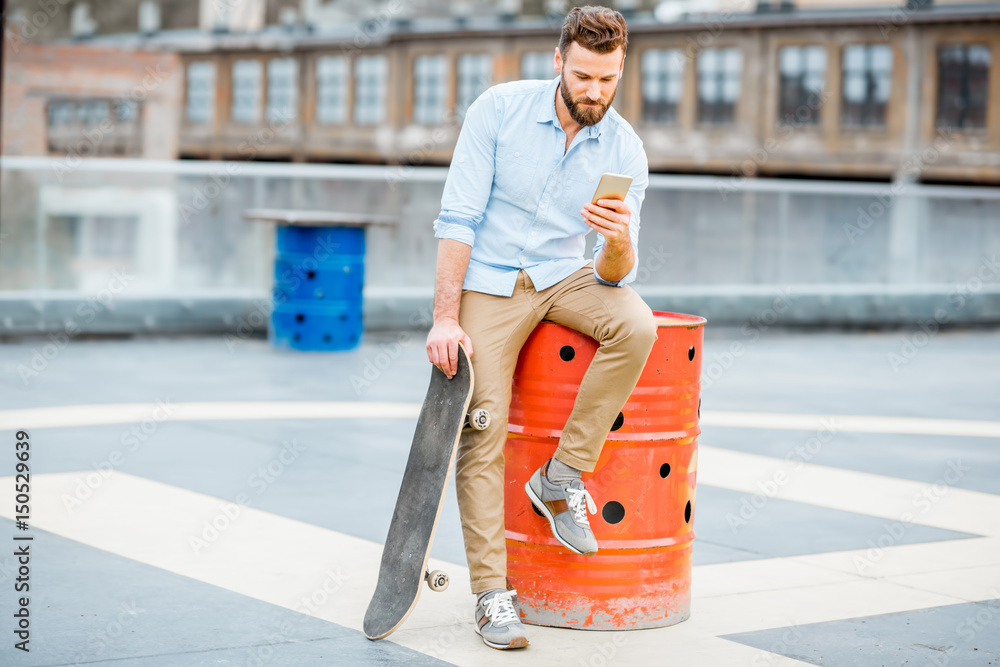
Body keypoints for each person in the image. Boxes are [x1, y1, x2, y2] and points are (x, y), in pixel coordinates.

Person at [424, 5, 658, 650]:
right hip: (490, 281)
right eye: (583, 76)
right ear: (559, 61)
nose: (595, 93)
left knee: (637, 326)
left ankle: (561, 477)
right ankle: (492, 595)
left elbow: (616, 273)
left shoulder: (624, 146)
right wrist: (446, 317)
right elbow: (458, 218)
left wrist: (614, 241)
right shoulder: (498, 109)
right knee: (483, 425)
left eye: (608, 80)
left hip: (565, 274)